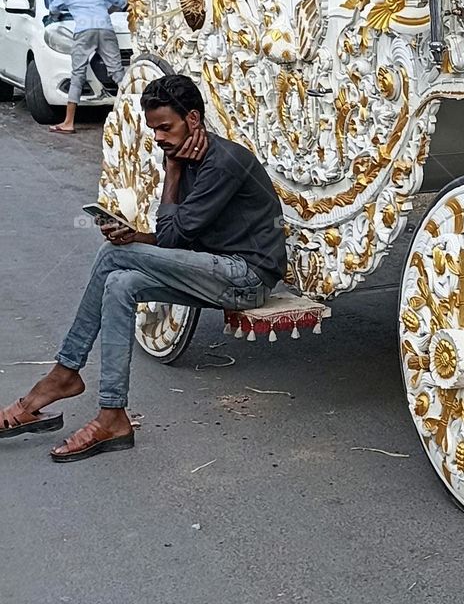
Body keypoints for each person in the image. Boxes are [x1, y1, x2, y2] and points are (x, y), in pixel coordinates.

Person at [0, 74, 286, 461]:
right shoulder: (190, 156)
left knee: (112, 258)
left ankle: (64, 373)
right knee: (120, 282)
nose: (159, 138)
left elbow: (172, 236)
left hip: (245, 278)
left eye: (166, 127)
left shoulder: (223, 163)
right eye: (154, 130)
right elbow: (179, 239)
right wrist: (134, 237)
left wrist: (171, 174)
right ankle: (112, 414)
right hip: (212, 270)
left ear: (194, 120)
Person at [48, 0, 128, 135]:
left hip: (83, 30)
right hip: (106, 28)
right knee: (117, 72)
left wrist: (55, 17)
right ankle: (130, 113)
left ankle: (68, 122)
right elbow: (121, 2)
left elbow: (54, 9)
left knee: (78, 74)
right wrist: (107, 12)